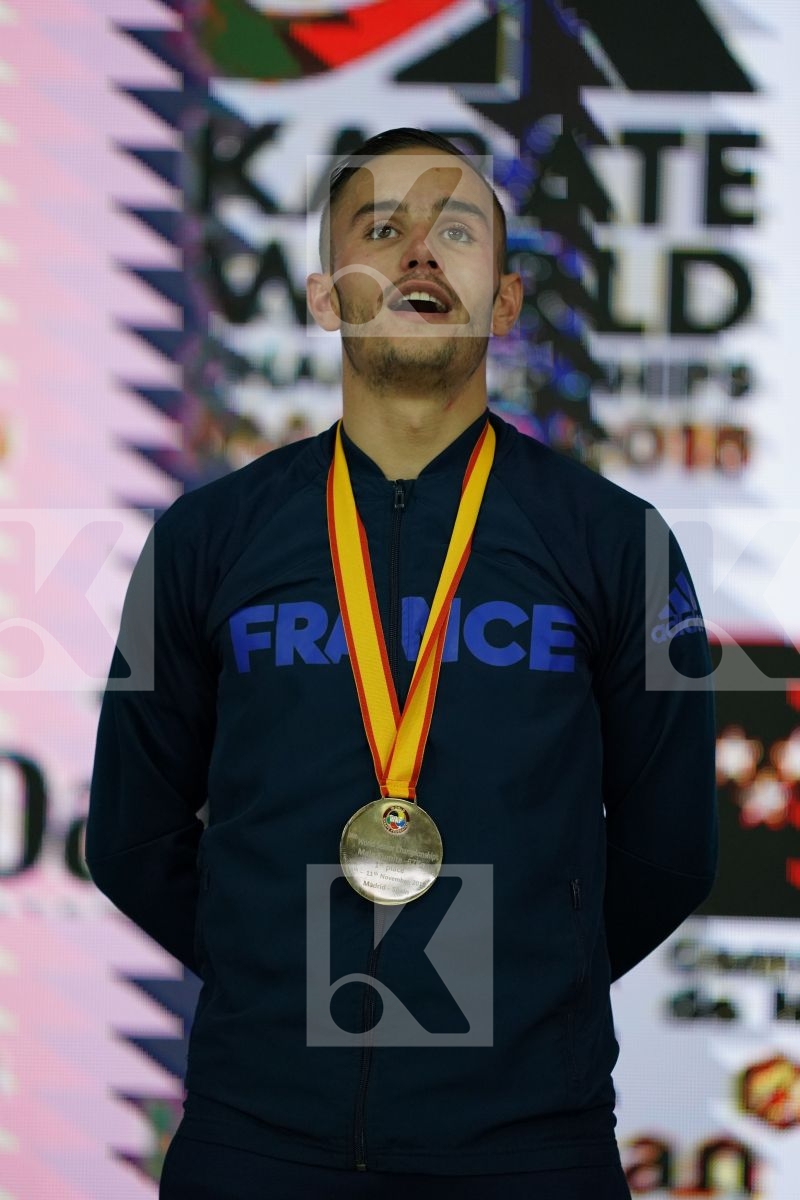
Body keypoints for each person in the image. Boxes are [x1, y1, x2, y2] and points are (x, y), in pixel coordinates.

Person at [86, 128, 718, 1200]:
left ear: (505, 301)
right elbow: (131, 834)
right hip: (256, 1144)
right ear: (327, 296)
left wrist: (527, 989)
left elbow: (669, 849)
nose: (419, 255)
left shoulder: (618, 543)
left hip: (529, 1151)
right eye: (381, 230)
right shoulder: (204, 541)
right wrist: (274, 980)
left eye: (455, 232)